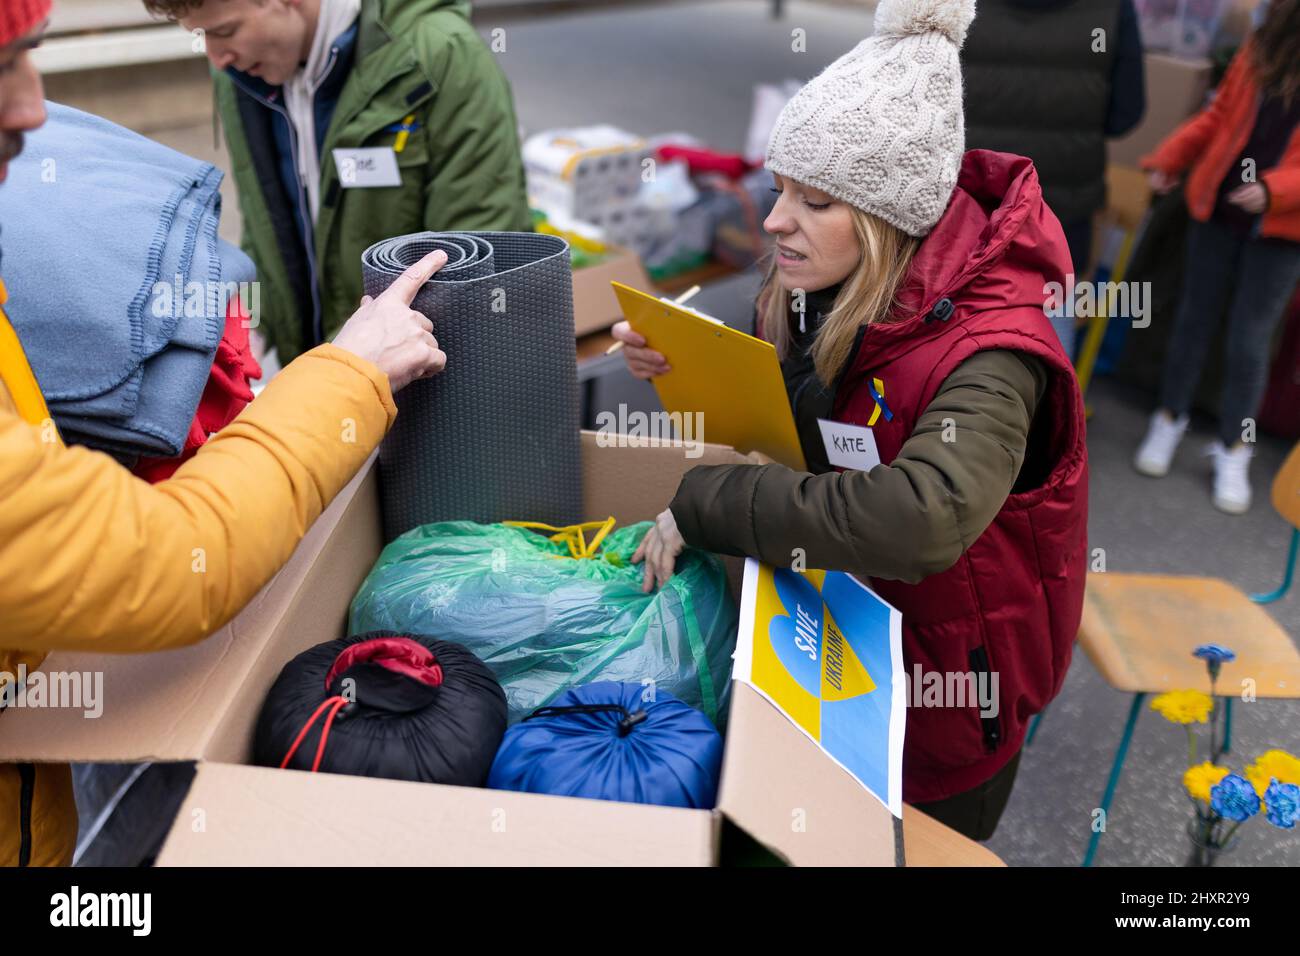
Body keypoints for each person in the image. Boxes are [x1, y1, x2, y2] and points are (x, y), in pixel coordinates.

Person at [615, 0, 1089, 841]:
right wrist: (690, 364)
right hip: (842, 646)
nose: (771, 221)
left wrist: (709, 503)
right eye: (778, 190)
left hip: (944, 707)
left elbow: (922, 516)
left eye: (814, 202)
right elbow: (820, 420)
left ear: (887, 219)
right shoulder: (825, 288)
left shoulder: (994, 353)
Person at [0, 1, 448, 866]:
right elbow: (170, 557)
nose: (32, 109)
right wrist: (345, 371)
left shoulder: (429, 56)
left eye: (31, 57)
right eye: (2, 70)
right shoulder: (242, 80)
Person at [145, 0, 532, 363]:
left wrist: (338, 371)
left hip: (418, 392)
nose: (215, 56)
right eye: (200, 35)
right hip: (329, 390)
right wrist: (244, 337)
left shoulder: (442, 55)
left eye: (225, 31)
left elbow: (475, 261)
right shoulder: (243, 73)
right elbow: (268, 233)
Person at [1134, 0, 1300, 514]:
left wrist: (1275, 191)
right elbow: (1218, 119)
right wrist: (1172, 157)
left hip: (1282, 230)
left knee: (1249, 343)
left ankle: (1234, 447)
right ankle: (1168, 418)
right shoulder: (1259, 47)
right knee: (1193, 322)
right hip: (1220, 211)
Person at [961, 0, 1146, 356]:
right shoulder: (1113, 9)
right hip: (1060, 211)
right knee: (1050, 334)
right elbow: (1126, 112)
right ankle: (1046, 411)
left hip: (971, 199)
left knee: (950, 330)